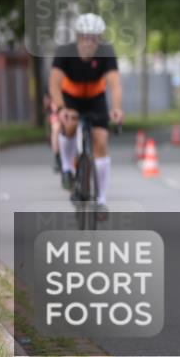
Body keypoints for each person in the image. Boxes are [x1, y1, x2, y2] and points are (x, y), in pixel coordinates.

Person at [48, 13, 124, 214]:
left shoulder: (106, 52)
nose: (89, 42)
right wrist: (61, 108)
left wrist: (116, 108)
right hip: (70, 96)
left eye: (94, 37)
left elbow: (115, 83)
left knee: (101, 140)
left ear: (99, 38)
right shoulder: (65, 51)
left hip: (95, 98)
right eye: (84, 36)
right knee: (70, 123)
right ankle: (66, 167)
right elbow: (54, 82)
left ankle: (101, 199)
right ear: (78, 36)